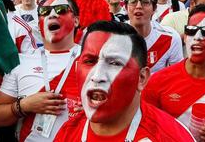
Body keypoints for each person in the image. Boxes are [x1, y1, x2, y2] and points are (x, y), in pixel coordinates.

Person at [54, 21, 195, 142]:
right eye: (90, 61)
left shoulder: (171, 137)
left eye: (115, 63)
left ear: (142, 78)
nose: (97, 76)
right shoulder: (68, 132)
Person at [0, 0, 81, 142]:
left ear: (76, 20)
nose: (52, 15)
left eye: (61, 10)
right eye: (45, 12)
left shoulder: (94, 60)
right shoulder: (20, 62)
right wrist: (24, 106)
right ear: (39, 24)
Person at [143, 5, 205, 141]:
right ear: (185, 36)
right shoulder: (157, 81)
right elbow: (145, 129)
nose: (198, 37)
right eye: (191, 30)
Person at [126, 0, 183, 73]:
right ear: (126, 7)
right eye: (133, 1)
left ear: (154, 8)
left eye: (145, 2)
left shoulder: (171, 38)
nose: (138, 6)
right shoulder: (115, 37)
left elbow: (176, 76)